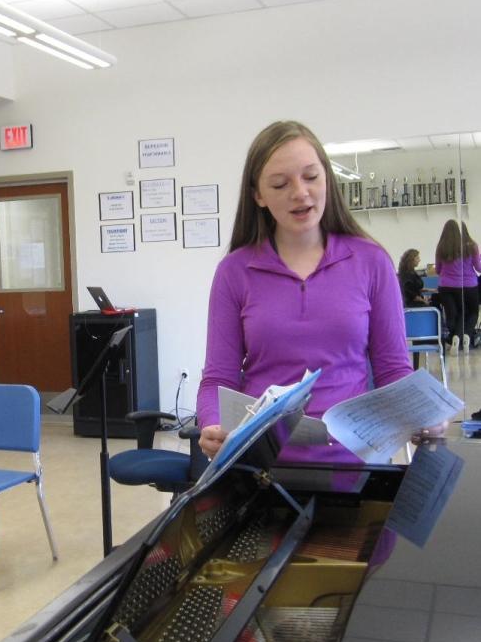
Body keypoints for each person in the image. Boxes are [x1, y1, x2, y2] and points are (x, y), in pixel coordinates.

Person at [196, 120, 438, 464]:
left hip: (354, 461)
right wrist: (213, 423)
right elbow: (217, 379)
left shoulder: (371, 261)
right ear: (258, 195)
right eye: (280, 184)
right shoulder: (234, 272)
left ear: (327, 178)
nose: (300, 192)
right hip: (261, 464)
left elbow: (393, 369)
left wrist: (421, 413)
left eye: (311, 177)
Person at [434, 219, 481, 354]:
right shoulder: (472, 246)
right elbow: (478, 267)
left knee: (454, 314)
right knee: (472, 312)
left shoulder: (441, 247)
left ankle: (455, 337)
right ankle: (466, 335)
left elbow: (438, 269)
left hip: (446, 286)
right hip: (469, 286)